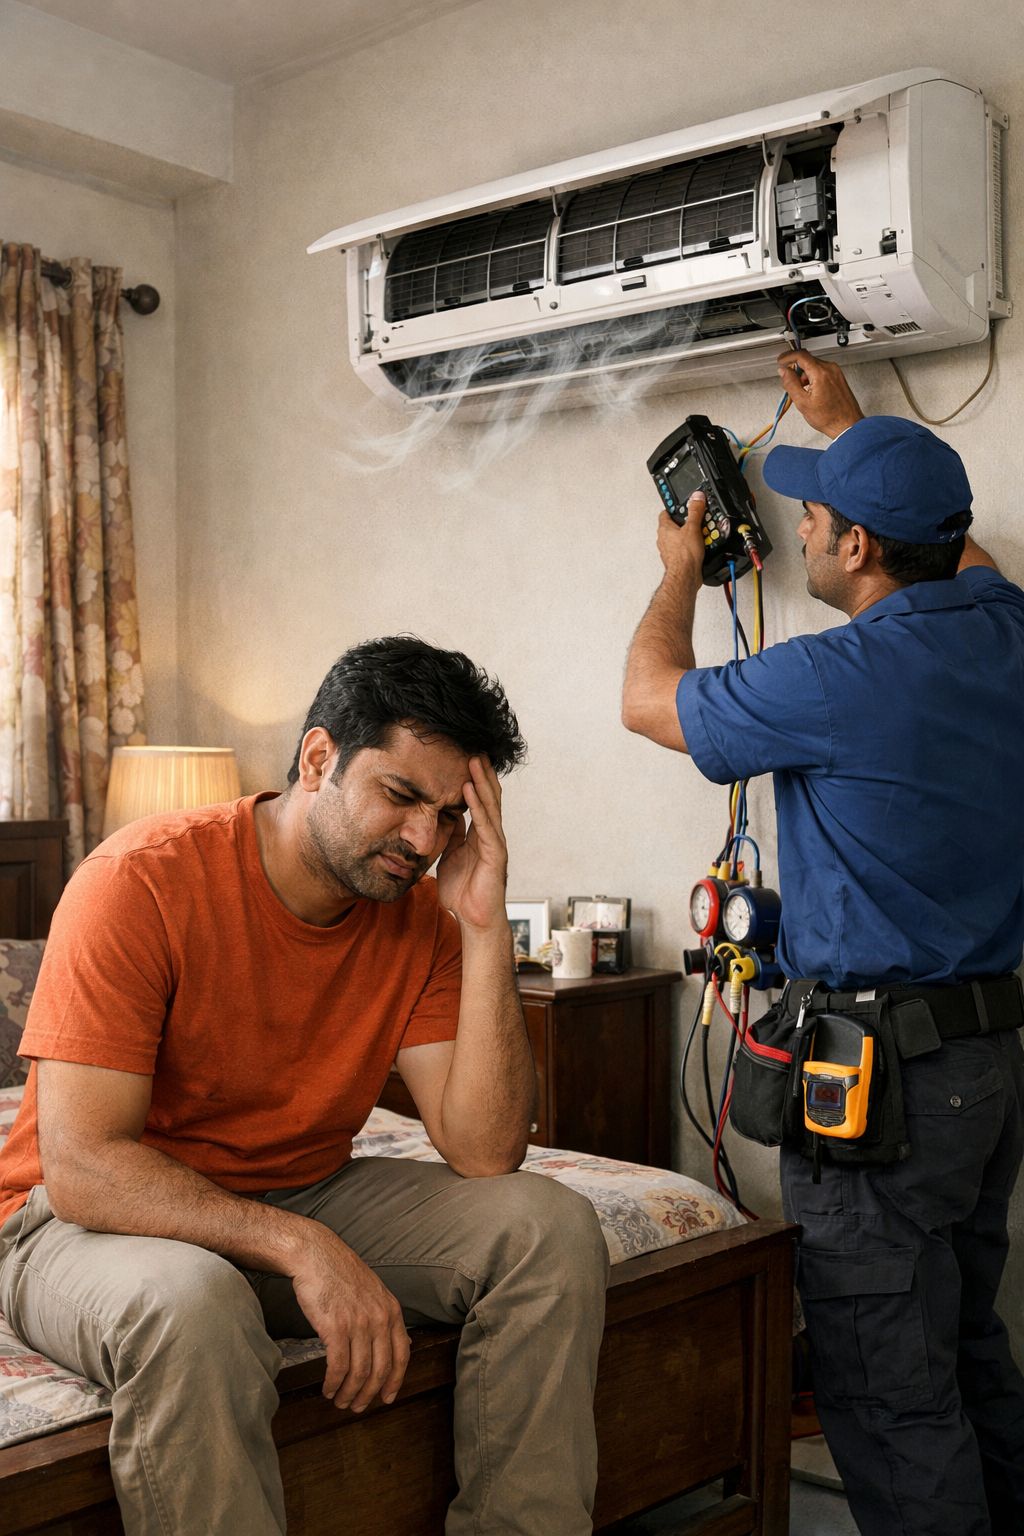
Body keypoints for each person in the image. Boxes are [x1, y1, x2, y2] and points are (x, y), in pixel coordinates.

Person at [0, 635, 609, 1536]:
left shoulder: (418, 916)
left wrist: (483, 928)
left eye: (447, 816)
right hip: (75, 1219)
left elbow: (485, 1151)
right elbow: (84, 1165)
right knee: (192, 1305)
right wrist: (301, 1247)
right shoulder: (138, 882)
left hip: (300, 1189)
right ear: (319, 758)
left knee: (549, 1227)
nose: (422, 840)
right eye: (401, 796)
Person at [621, 352, 1024, 1536]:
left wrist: (679, 573)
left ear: (855, 549)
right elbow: (964, 556)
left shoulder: (841, 674)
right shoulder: (1003, 626)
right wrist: (847, 427)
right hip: (988, 1064)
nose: (798, 521)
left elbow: (648, 696)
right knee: (965, 1352)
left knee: (888, 1394)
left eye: (817, 510)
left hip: (883, 1087)